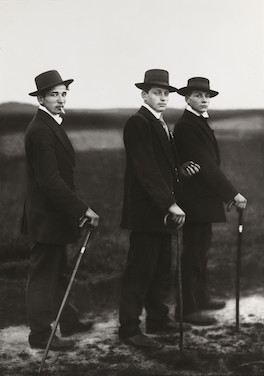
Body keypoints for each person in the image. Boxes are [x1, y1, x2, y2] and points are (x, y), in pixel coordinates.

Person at [118, 69, 200, 350]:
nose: (163, 97)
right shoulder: (138, 123)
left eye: (166, 93)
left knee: (161, 267)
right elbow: (146, 169)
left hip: (161, 212)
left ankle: (157, 318)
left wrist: (180, 169)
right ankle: (129, 329)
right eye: (157, 92)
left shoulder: (160, 122)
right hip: (146, 212)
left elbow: (163, 165)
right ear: (144, 94)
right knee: (139, 270)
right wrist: (170, 203)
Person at [22, 70, 99, 350]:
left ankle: (67, 320)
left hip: (55, 215)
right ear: (41, 98)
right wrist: (82, 209)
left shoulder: (51, 124)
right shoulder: (41, 129)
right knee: (43, 276)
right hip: (46, 217)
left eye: (64, 93)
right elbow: (50, 181)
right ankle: (40, 336)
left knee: (59, 271)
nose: (60, 99)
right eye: (54, 94)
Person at [173, 77, 247, 325]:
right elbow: (205, 164)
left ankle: (201, 298)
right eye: (198, 95)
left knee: (201, 252)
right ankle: (187, 308)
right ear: (187, 98)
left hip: (203, 199)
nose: (204, 99)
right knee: (193, 254)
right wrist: (231, 194)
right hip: (194, 200)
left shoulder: (198, 122)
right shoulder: (187, 126)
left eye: (206, 96)